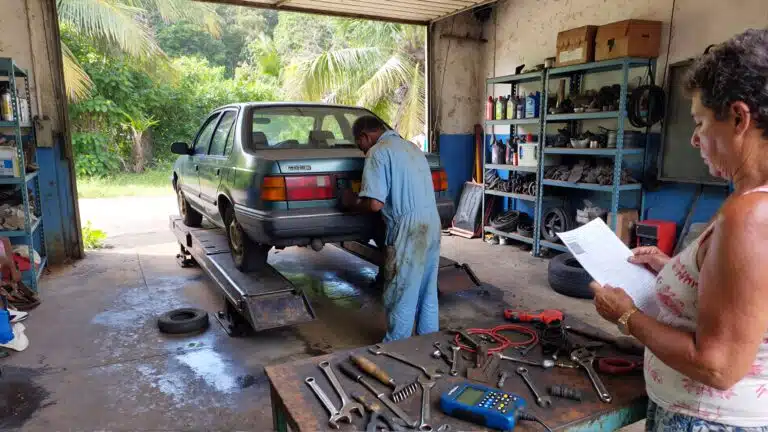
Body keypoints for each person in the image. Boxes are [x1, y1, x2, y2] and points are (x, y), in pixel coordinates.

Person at [590, 28, 768, 430]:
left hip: (706, 421)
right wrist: (675, 269)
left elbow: (718, 367)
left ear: (739, 118)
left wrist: (626, 316)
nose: (694, 138)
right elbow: (744, 299)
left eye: (701, 121)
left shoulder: (750, 216)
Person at [342, 115, 441, 342]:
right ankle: (429, 342)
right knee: (427, 288)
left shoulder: (378, 153)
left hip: (408, 226)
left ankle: (397, 346)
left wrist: (351, 201)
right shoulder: (412, 148)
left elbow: (375, 204)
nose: (361, 150)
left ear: (365, 137)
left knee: (402, 289)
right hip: (432, 221)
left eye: (360, 144)